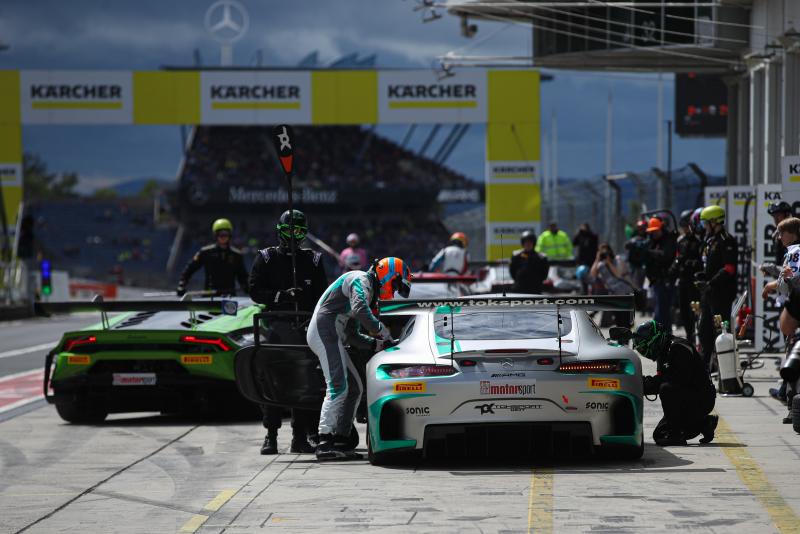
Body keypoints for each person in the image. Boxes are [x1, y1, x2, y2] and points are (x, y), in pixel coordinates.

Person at [308, 257, 412, 461]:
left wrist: (378, 344)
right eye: (396, 285)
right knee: (338, 387)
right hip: (324, 332)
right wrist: (382, 332)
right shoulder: (361, 279)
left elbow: (352, 335)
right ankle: (324, 441)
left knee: (355, 388)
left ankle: (341, 439)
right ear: (388, 273)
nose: (394, 290)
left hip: (332, 336)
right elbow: (360, 310)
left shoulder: (367, 291)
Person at [249, 210, 329, 455]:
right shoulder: (266, 257)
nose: (294, 235)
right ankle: (271, 436)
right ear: (280, 231)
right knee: (274, 382)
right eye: (289, 231)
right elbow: (254, 290)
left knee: (304, 384)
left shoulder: (313, 260)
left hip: (304, 329)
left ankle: (300, 437)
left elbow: (323, 296)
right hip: (276, 328)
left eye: (299, 231)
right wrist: (281, 296)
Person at [634, 320, 717, 446]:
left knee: (666, 389)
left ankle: (676, 435)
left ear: (654, 340)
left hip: (701, 398)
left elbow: (677, 381)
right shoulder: (663, 351)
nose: (645, 352)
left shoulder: (679, 348)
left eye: (645, 348)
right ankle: (705, 424)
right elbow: (662, 378)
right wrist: (640, 383)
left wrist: (645, 384)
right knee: (660, 434)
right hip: (688, 395)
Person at [695, 205, 738, 370]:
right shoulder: (710, 240)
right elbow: (710, 265)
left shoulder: (727, 240)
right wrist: (702, 276)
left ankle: (725, 368)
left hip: (721, 293)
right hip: (709, 292)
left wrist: (710, 282)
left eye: (706, 223)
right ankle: (705, 367)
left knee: (720, 331)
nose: (704, 227)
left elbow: (729, 268)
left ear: (715, 222)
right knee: (703, 330)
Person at [177, 218, 248, 296]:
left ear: (230, 235)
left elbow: (243, 277)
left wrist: (248, 288)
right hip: (209, 296)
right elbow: (190, 269)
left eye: (226, 234)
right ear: (216, 235)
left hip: (229, 297)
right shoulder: (206, 252)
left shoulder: (236, 255)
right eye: (220, 235)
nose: (223, 237)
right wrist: (182, 284)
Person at [670, 210, 703, 346]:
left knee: (693, 311)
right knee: (683, 311)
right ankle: (689, 336)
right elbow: (677, 258)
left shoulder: (699, 241)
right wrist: (673, 268)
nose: (685, 229)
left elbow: (702, 261)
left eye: (686, 226)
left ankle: (697, 336)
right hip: (682, 280)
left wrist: (692, 263)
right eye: (683, 226)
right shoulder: (680, 241)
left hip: (693, 281)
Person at [643, 217, 677, 333]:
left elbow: (665, 255)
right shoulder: (652, 242)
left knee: (662, 310)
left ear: (661, 228)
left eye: (656, 231)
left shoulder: (669, 239)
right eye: (652, 232)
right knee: (660, 309)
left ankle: (663, 334)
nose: (654, 234)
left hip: (666, 280)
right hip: (656, 280)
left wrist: (650, 252)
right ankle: (663, 334)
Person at [590, 243, 632, 326]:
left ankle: (625, 330)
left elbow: (618, 275)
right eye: (602, 252)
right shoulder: (600, 264)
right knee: (617, 316)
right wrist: (597, 259)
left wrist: (609, 263)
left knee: (624, 316)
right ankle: (620, 331)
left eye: (605, 252)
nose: (604, 255)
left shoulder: (616, 260)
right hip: (611, 291)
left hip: (622, 290)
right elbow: (593, 274)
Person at [573, 223, 598, 293]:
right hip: (582, 260)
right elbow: (574, 243)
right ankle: (584, 291)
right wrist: (579, 233)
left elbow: (595, 244)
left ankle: (593, 292)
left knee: (591, 277)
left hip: (591, 260)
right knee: (582, 276)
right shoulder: (580, 236)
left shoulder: (592, 236)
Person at [624, 220, 648, 290]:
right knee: (634, 285)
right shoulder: (633, 238)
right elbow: (627, 246)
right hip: (633, 265)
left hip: (644, 265)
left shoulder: (649, 238)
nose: (641, 230)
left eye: (642, 228)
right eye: (639, 228)